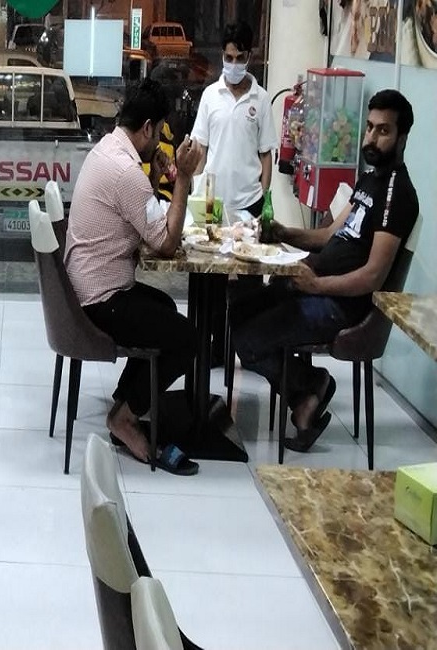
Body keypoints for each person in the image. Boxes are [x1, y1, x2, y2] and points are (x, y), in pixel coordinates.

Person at [232, 89, 419, 452]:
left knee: (248, 338)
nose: (371, 138)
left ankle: (309, 386)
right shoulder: (370, 180)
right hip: (313, 287)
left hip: (341, 305)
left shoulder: (397, 195)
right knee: (239, 311)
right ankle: (306, 390)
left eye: (383, 130)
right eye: (369, 127)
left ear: (402, 138)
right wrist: (284, 233)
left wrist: (316, 285)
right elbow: (330, 235)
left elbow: (373, 276)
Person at [65, 79, 203, 476]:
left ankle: (126, 401)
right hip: (99, 299)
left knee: (164, 306)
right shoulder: (126, 171)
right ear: (147, 127)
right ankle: (125, 418)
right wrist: (181, 178)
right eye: (158, 132)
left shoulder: (107, 150)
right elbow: (166, 243)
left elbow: (142, 217)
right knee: (187, 338)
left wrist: (157, 176)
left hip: (87, 287)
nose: (159, 141)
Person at [191, 22, 276, 220]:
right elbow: (200, 148)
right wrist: (195, 192)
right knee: (208, 240)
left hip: (250, 202)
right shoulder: (210, 95)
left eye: (240, 58)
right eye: (229, 58)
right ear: (222, 55)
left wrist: (264, 198)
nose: (234, 64)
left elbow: (266, 155)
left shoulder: (261, 99)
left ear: (249, 57)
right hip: (211, 200)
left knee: (248, 242)